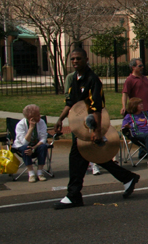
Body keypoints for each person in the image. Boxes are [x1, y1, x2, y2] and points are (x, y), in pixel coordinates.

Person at [53, 48, 140, 209]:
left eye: (78, 58)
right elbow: (70, 102)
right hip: (79, 126)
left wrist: (97, 131)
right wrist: (60, 119)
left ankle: (73, 195)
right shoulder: (74, 79)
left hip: (90, 127)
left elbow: (97, 107)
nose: (75, 61)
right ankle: (127, 178)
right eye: (72, 59)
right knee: (94, 156)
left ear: (86, 59)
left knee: (77, 159)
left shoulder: (92, 80)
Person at [12, 104, 48, 183]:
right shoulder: (20, 125)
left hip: (36, 146)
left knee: (43, 146)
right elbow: (24, 142)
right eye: (37, 115)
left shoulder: (41, 122)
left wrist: (34, 148)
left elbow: (43, 138)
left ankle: (40, 172)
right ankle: (31, 173)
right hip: (22, 146)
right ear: (30, 117)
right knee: (26, 148)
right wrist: (31, 128)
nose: (40, 116)